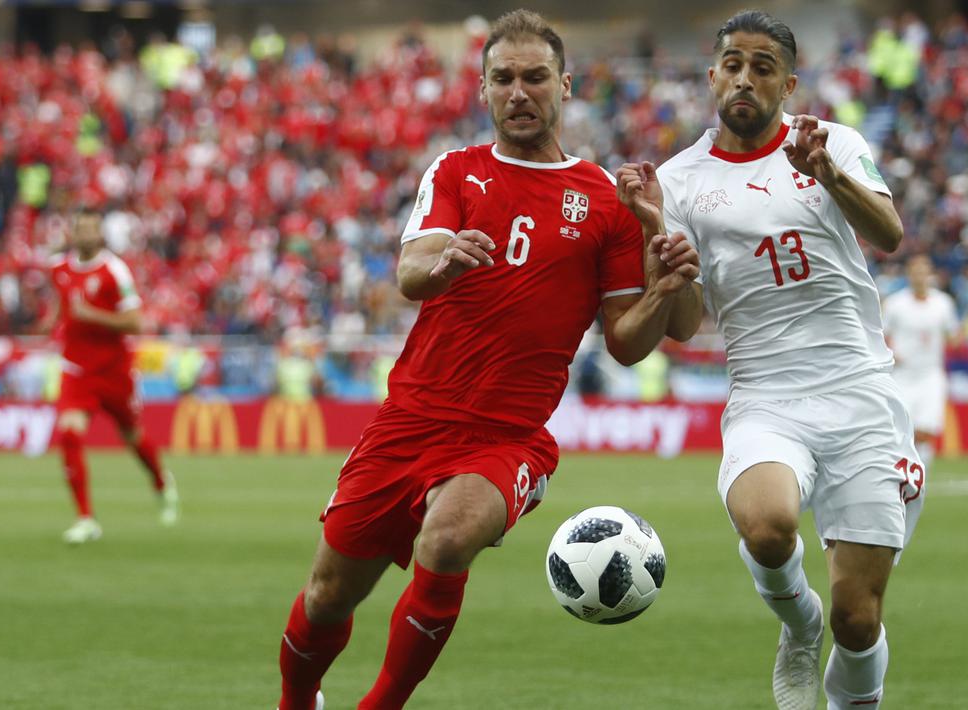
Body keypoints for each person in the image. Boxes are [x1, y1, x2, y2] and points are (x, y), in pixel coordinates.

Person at [275, 10, 699, 710]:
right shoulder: (456, 170)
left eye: (535, 77)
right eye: (503, 78)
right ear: (483, 90)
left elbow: (626, 343)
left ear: (564, 85)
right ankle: (297, 701)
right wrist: (444, 260)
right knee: (325, 596)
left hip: (506, 437)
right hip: (409, 421)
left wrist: (662, 288)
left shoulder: (604, 200)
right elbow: (410, 273)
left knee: (445, 542)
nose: (519, 92)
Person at [617, 11, 924, 709]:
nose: (744, 78)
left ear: (787, 83)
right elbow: (687, 324)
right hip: (766, 394)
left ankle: (841, 665)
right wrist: (658, 251)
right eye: (732, 64)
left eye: (761, 67)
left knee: (859, 618)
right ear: (711, 77)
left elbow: (889, 234)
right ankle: (797, 625)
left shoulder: (829, 143)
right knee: (766, 524)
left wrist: (826, 175)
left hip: (859, 393)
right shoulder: (679, 182)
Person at [42, 207, 179, 544]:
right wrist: (50, 324)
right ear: (72, 233)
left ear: (100, 235)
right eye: (80, 229)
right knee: (70, 434)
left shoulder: (114, 271)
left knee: (132, 436)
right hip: (76, 368)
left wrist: (91, 315)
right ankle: (86, 518)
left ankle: (162, 482)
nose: (86, 235)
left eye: (92, 229)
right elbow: (61, 307)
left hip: (114, 370)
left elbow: (135, 322)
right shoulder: (58, 268)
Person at [882, 254, 959, 471]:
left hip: (931, 374)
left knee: (927, 429)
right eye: (915, 272)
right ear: (909, 274)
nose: (920, 276)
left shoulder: (943, 303)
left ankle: (919, 478)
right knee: (902, 430)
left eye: (924, 271)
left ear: (930, 274)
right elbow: (880, 334)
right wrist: (891, 353)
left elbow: (953, 333)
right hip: (903, 374)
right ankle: (901, 472)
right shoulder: (896, 304)